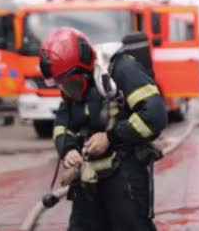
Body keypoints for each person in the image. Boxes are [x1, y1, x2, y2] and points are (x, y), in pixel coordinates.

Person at [39, 27, 167, 231]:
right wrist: (68, 149)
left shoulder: (122, 70)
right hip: (88, 180)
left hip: (125, 175)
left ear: (83, 67)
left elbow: (155, 115)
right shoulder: (72, 86)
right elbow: (62, 124)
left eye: (69, 83)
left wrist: (111, 137)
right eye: (60, 85)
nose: (65, 90)